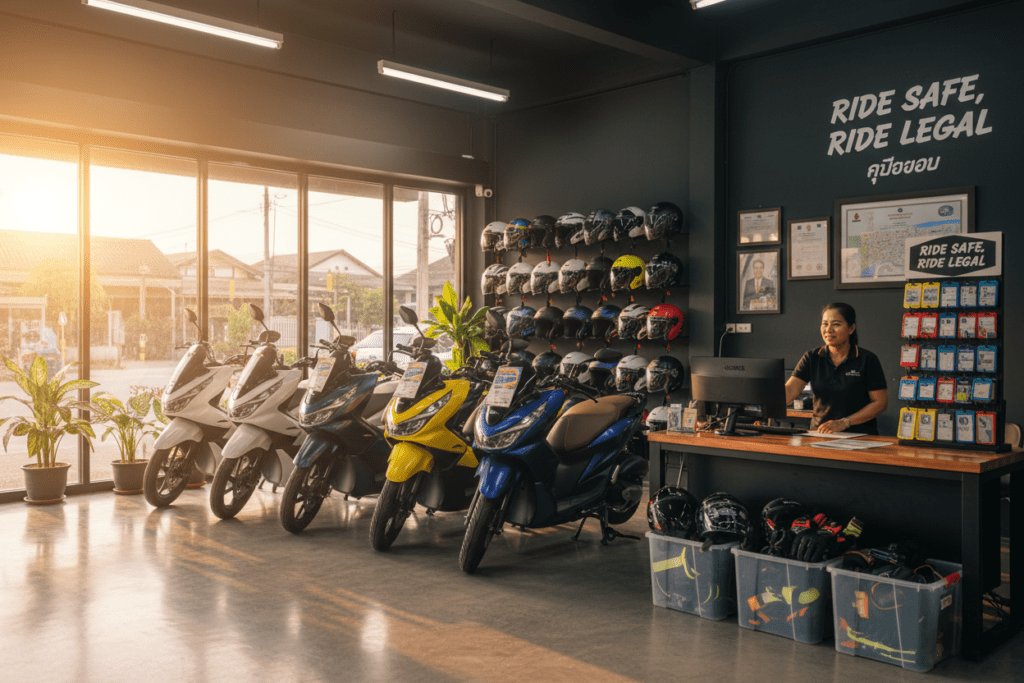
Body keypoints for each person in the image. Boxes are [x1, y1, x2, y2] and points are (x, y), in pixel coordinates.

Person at [785, 302, 888, 434]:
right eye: (825, 324)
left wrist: (844, 422)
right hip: (820, 434)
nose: (828, 329)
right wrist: (766, 396)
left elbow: (880, 403)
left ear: (851, 329)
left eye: (836, 324)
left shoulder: (867, 359)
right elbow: (789, 392)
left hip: (860, 436)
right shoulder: (812, 357)